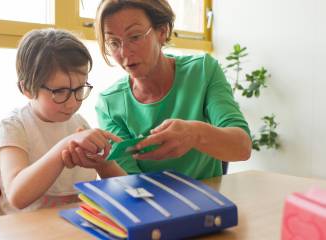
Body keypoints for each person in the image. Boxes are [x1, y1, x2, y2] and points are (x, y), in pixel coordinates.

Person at [67, 0, 252, 180]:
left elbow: (242, 147)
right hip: (151, 206)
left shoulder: (202, 71)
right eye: (114, 42)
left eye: (135, 37)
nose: (124, 53)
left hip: (211, 203)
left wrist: (194, 133)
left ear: (162, 31)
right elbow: (130, 183)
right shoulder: (110, 104)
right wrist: (101, 162)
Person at [0, 28, 126, 215]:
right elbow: (17, 195)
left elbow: (123, 191)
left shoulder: (79, 123)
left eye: (79, 88)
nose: (73, 102)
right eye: (60, 91)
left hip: (73, 227)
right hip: (22, 230)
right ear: (27, 88)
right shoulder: (14, 127)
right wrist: (64, 146)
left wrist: (102, 162)